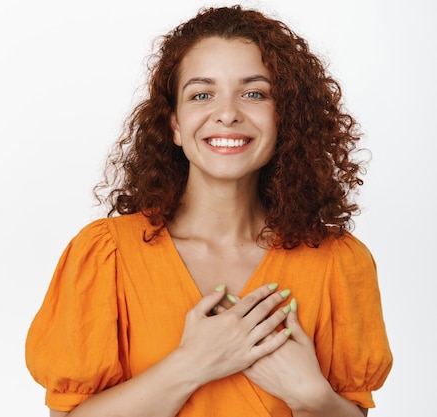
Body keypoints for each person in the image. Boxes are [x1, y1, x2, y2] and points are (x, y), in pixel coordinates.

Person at [25, 5, 393, 417]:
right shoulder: (105, 255)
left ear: (285, 117)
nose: (228, 113)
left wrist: (311, 395)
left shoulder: (339, 262)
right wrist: (192, 364)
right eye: (202, 94)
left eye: (254, 93)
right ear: (175, 125)